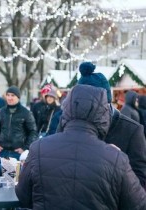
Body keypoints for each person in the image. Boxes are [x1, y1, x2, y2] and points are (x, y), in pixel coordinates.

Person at [16, 84, 146, 209]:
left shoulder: (38, 148)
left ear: (67, 109)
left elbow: (23, 196)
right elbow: (139, 204)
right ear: (103, 114)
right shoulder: (116, 158)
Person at [71, 61, 146, 189]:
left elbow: (141, 181)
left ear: (106, 102)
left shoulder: (131, 130)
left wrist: (120, 165)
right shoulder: (69, 124)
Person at [0, 86, 38, 161]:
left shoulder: (26, 113)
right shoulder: (1, 111)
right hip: (3, 151)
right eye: (8, 95)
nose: (10, 98)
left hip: (17, 153)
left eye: (12, 95)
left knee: (16, 173)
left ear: (18, 97)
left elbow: (33, 132)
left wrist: (25, 148)